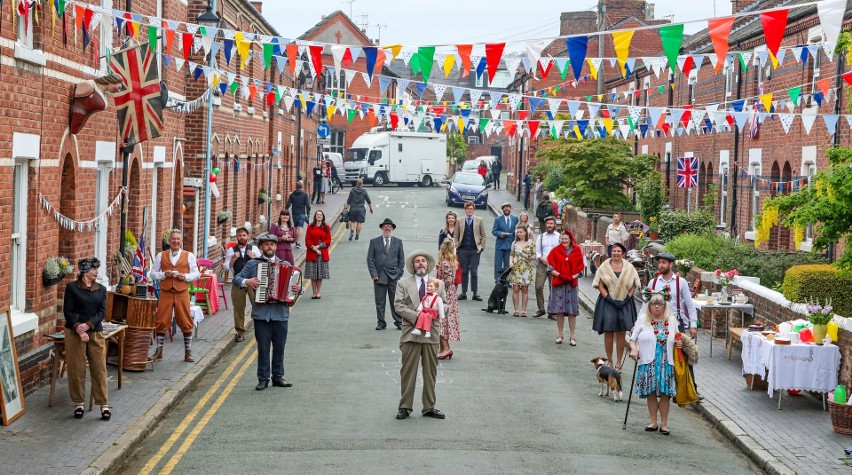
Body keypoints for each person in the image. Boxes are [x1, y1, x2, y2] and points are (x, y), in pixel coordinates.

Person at [233, 233, 302, 391]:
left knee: (279, 348)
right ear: (261, 247)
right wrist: (247, 281)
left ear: (276, 247)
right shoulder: (253, 264)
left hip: (280, 314)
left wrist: (299, 289)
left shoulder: (285, 264)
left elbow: (296, 287)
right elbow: (236, 279)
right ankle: (263, 379)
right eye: (266, 245)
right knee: (263, 348)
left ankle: (278, 377)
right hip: (261, 315)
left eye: (272, 244)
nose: (269, 247)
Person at [394, 250, 447, 420]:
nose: (421, 263)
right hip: (411, 333)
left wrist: (434, 313)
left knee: (430, 372)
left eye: (423, 261)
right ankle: (405, 407)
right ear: (412, 266)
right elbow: (399, 306)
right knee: (408, 372)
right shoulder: (403, 283)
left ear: (429, 265)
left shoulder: (438, 283)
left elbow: (445, 305)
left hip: (431, 332)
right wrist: (418, 316)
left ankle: (429, 406)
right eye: (417, 261)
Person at [639, 252, 700, 397]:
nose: (661, 265)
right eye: (659, 262)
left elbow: (690, 305)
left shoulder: (681, 282)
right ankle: (660, 386)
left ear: (671, 264)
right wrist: (638, 324)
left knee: (682, 357)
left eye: (664, 263)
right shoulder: (653, 282)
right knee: (657, 356)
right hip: (656, 324)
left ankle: (691, 390)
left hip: (676, 324)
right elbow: (645, 305)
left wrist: (693, 325)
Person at [629, 291, 682, 436]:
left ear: (664, 306)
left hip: (666, 363)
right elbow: (632, 339)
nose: (657, 307)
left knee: (665, 394)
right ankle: (653, 422)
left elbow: (678, 337)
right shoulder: (642, 320)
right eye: (654, 304)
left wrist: (680, 343)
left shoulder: (671, 321)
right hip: (647, 361)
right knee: (651, 393)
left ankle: (664, 424)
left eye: (660, 304)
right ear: (649, 306)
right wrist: (634, 350)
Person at [63, 257, 110, 420]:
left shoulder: (102, 289)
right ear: (84, 271)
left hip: (95, 332)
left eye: (97, 268)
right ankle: (79, 403)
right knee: (77, 368)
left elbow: (102, 312)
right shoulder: (72, 288)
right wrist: (78, 327)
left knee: (99, 368)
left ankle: (103, 405)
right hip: (74, 333)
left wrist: (88, 325)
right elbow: (67, 311)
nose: (96, 271)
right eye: (93, 269)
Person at [150, 229, 201, 362]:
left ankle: (188, 352)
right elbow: (153, 273)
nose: (176, 241)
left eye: (178, 239)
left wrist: (185, 276)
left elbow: (196, 273)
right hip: (165, 292)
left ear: (181, 242)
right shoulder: (161, 255)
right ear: (169, 241)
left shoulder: (189, 255)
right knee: (161, 320)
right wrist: (163, 274)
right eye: (173, 239)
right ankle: (159, 351)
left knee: (185, 320)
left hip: (182, 292)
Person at [592, 243, 641, 368]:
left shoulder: (629, 267)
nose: (616, 253)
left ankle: (619, 362)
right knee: (608, 332)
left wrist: (627, 298)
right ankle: (609, 360)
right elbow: (600, 285)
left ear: (623, 253)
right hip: (608, 302)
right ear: (611, 252)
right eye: (614, 251)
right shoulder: (604, 266)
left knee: (621, 333)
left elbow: (634, 285)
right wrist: (609, 298)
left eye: (618, 251)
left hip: (624, 303)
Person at [223, 227, 261, 342]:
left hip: (252, 281)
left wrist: (253, 257)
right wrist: (233, 260)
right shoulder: (231, 250)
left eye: (244, 235)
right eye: (240, 235)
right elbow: (226, 267)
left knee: (257, 305)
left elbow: (263, 263)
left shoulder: (253, 248)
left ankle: (260, 330)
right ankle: (240, 332)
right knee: (239, 308)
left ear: (247, 236)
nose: (242, 237)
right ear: (236, 237)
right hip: (238, 282)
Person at [367, 218, 405, 330]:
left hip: (394, 276)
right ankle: (381, 322)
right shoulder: (374, 241)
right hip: (379, 276)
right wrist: (374, 274)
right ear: (382, 228)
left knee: (395, 300)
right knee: (380, 301)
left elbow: (401, 259)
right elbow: (370, 259)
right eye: (385, 226)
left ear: (392, 229)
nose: (387, 228)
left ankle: (398, 322)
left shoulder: (398, 241)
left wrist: (399, 272)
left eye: (389, 226)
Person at [547, 230, 584, 345]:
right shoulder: (555, 251)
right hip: (559, 284)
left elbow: (580, 268)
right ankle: (560, 334)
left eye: (566, 239)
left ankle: (572, 336)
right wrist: (560, 275)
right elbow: (550, 267)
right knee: (560, 310)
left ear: (570, 240)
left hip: (571, 285)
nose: (563, 241)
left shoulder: (577, 250)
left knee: (572, 311)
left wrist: (574, 276)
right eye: (562, 239)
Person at [456, 201, 486, 301]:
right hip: (463, 250)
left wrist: (481, 247)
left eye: (471, 209)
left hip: (474, 250)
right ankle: (463, 293)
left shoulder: (479, 220)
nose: (469, 210)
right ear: (465, 210)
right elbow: (456, 235)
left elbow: (483, 235)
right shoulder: (459, 220)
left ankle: (475, 293)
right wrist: (456, 245)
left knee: (474, 272)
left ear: (473, 210)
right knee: (464, 272)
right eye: (468, 209)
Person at [435, 238, 460, 359]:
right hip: (452, 293)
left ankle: (446, 348)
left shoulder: (445, 263)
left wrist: (437, 282)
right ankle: (443, 348)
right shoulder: (452, 262)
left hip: (445, 294)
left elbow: (447, 281)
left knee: (441, 320)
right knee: (445, 319)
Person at [533, 217, 560, 318]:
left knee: (553, 288)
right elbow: (537, 251)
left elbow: (561, 251)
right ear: (545, 225)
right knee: (538, 286)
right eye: (548, 223)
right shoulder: (540, 237)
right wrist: (543, 259)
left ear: (555, 225)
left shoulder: (559, 237)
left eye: (551, 223)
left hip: (555, 266)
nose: (549, 225)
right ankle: (541, 309)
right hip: (542, 264)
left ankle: (552, 312)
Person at [304, 210, 332, 299]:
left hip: (322, 253)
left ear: (323, 217)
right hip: (312, 252)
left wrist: (319, 246)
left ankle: (318, 292)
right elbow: (307, 240)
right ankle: (314, 292)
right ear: (315, 216)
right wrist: (314, 248)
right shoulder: (310, 227)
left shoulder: (326, 227)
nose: (319, 216)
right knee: (313, 275)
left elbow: (328, 240)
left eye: (320, 215)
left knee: (320, 275)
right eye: (317, 214)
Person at [509, 226, 535, 317]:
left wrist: (529, 257)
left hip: (526, 268)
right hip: (516, 267)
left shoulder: (531, 243)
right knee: (515, 288)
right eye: (518, 232)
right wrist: (511, 263)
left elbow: (534, 256)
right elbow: (511, 254)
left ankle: (523, 310)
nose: (519, 234)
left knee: (524, 289)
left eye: (521, 232)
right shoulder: (514, 243)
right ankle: (516, 309)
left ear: (525, 233)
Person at [492, 202, 518, 283]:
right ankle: (497, 280)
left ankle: (507, 280)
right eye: (505, 208)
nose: (506, 209)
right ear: (502, 209)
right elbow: (494, 231)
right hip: (500, 244)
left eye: (508, 207)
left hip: (510, 244)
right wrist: (501, 234)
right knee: (498, 263)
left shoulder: (515, 219)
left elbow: (517, 230)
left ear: (510, 209)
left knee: (508, 263)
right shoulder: (498, 219)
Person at [285, 181, 310, 249]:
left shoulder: (292, 194)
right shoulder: (305, 195)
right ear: (302, 186)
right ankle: (298, 243)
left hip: (294, 214)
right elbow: (308, 205)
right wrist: (308, 213)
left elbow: (288, 204)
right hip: (302, 213)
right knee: (300, 228)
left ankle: (296, 241)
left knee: (296, 228)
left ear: (296, 186)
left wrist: (286, 210)